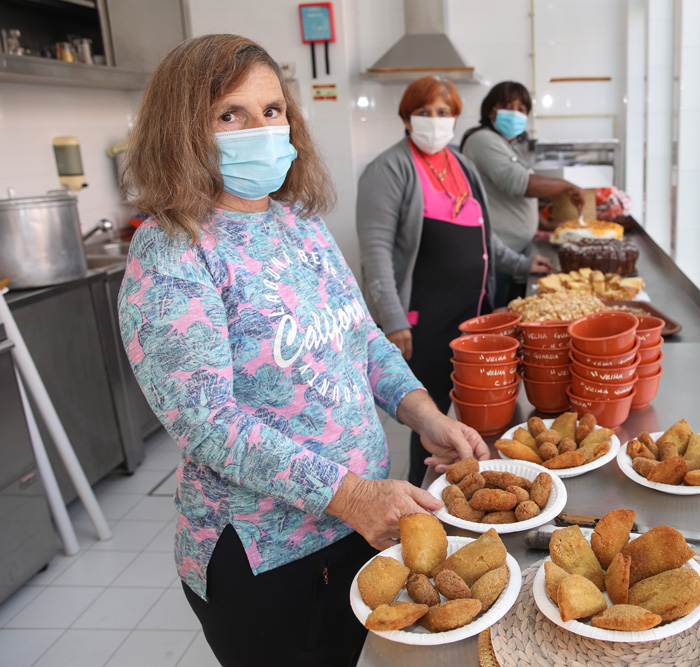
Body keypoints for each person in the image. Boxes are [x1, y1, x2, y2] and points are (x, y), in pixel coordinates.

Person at [117, 35, 489, 667]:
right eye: (229, 114)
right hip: (270, 557)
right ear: (182, 131)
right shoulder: (173, 250)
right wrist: (348, 494)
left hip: (359, 526)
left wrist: (426, 415)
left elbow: (362, 338)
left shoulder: (298, 223)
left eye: (271, 110)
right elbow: (210, 424)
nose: (259, 128)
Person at [356, 76, 551, 487]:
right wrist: (392, 320)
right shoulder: (389, 168)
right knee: (429, 422)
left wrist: (521, 265)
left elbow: (484, 236)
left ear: (456, 117)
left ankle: (474, 486)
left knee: (474, 414)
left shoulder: (461, 164)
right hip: (422, 323)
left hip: (472, 315)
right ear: (406, 117)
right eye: (424, 112)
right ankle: (423, 498)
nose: (434, 120)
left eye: (443, 113)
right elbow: (375, 252)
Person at [460, 81, 586, 303]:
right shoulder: (482, 140)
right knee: (496, 316)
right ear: (491, 110)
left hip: (512, 254)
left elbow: (510, 195)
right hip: (496, 254)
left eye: (522, 109)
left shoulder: (507, 144)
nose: (516, 114)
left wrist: (542, 224)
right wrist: (566, 186)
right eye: (509, 107)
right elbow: (518, 183)